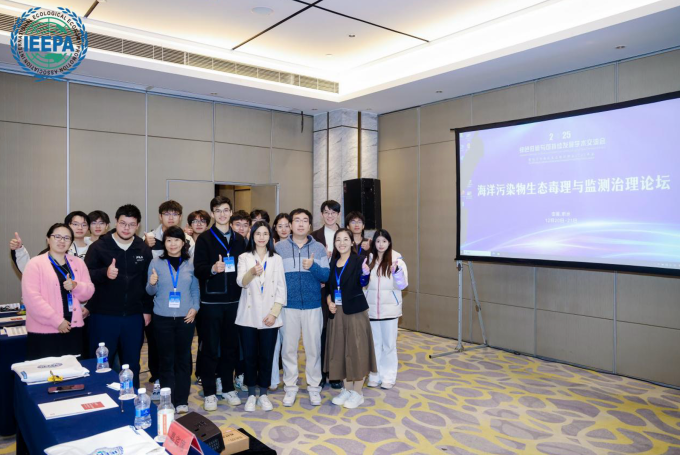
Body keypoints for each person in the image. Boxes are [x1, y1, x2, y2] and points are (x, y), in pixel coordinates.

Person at [84, 204, 153, 389]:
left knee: (132, 363)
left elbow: (147, 282)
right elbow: (85, 275)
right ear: (116, 222)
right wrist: (104, 273)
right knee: (101, 363)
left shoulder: (142, 249)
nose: (126, 228)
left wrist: (147, 309)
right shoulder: (99, 247)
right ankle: (99, 395)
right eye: (123, 223)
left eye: (131, 224)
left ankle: (131, 397)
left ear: (138, 225)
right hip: (104, 314)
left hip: (133, 315)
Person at [193, 196, 246, 411]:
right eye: (218, 211)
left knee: (230, 347)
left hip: (234, 301)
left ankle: (228, 387)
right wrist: (213, 269)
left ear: (231, 212)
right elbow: (198, 269)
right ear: (212, 214)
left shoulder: (240, 239)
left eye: (225, 210)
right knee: (210, 348)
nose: (222, 214)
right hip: (211, 302)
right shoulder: (204, 239)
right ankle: (209, 391)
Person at [275, 208, 330, 407]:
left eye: (304, 220)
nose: (300, 224)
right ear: (290, 225)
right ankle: (290, 387)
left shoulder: (319, 248)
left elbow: (326, 276)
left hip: (312, 305)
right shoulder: (279, 248)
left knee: (313, 348)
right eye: (296, 220)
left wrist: (312, 266)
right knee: (288, 349)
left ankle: (314, 387)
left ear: (310, 225)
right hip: (288, 305)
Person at [146, 226, 200, 415]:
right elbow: (150, 291)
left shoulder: (190, 263)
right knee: (166, 360)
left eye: (177, 240)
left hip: (186, 318)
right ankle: (167, 400)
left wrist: (195, 308)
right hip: (162, 318)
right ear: (165, 243)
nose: (173, 244)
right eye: (169, 240)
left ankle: (182, 400)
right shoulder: (156, 262)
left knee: (183, 359)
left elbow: (195, 289)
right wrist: (152, 283)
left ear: (183, 242)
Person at [21, 223, 95, 360]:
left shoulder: (78, 263)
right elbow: (32, 298)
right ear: (48, 239)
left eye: (67, 238)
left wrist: (76, 286)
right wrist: (57, 321)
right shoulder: (35, 264)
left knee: (74, 369)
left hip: (74, 328)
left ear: (71, 242)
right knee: (46, 370)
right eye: (57, 237)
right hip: (44, 331)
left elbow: (89, 291)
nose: (62, 241)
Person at [236, 221, 286, 411]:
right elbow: (241, 282)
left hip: (269, 315)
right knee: (249, 356)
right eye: (258, 234)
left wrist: (274, 313)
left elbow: (281, 288)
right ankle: (251, 394)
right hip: (248, 316)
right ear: (252, 236)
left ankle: (263, 393)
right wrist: (252, 272)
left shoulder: (276, 259)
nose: (261, 237)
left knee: (266, 356)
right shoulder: (244, 257)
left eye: (265, 234)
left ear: (270, 237)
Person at [324, 228, 376, 409]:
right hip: (337, 314)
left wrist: (366, 274)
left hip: (355, 313)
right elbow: (329, 288)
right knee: (340, 351)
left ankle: (358, 393)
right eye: (338, 239)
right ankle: (346, 389)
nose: (342, 243)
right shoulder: (332, 262)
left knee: (356, 351)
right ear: (334, 243)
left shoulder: (359, 260)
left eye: (345, 239)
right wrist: (329, 302)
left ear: (352, 242)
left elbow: (363, 281)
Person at [364, 229, 408, 390]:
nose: (381, 244)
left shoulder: (397, 261)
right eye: (378, 241)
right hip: (371, 309)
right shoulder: (368, 259)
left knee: (389, 345)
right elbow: (364, 284)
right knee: (374, 344)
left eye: (384, 241)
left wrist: (396, 273)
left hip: (390, 310)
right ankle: (374, 375)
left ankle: (388, 376)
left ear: (389, 242)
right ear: (373, 243)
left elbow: (403, 285)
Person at [310, 200, 342, 389]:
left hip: (339, 290)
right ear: (321, 214)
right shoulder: (313, 237)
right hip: (321, 290)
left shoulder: (344, 235)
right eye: (326, 212)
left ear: (338, 215)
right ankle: (321, 373)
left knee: (338, 332)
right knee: (321, 332)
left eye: (333, 213)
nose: (330, 216)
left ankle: (336, 374)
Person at [269, 212, 291, 390]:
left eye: (287, 225)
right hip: (274, 300)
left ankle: (290, 379)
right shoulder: (271, 247)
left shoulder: (297, 245)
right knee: (273, 342)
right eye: (280, 226)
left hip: (291, 302)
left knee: (289, 343)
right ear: (275, 228)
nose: (283, 229)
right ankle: (273, 378)